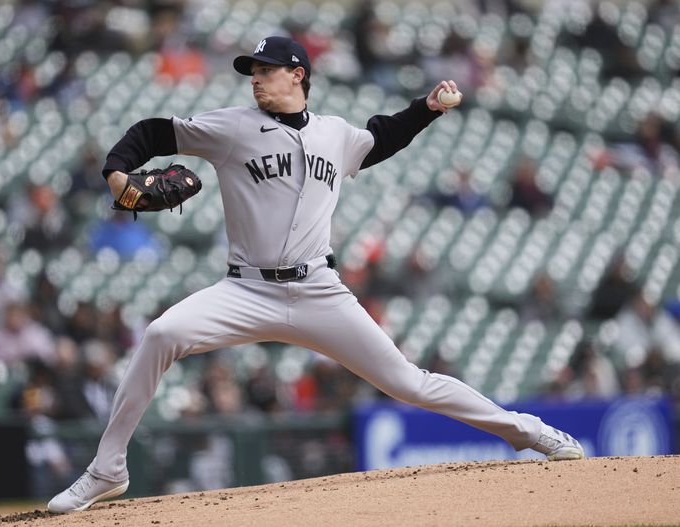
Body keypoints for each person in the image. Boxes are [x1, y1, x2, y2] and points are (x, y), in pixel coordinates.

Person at [48, 36, 584, 513]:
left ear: (297, 74)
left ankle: (531, 432)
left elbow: (384, 136)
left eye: (264, 69)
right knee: (161, 333)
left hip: (319, 291)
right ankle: (107, 469)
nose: (255, 78)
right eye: (251, 71)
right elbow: (151, 132)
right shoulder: (232, 127)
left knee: (407, 382)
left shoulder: (335, 135)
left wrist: (427, 108)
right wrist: (118, 174)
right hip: (246, 289)